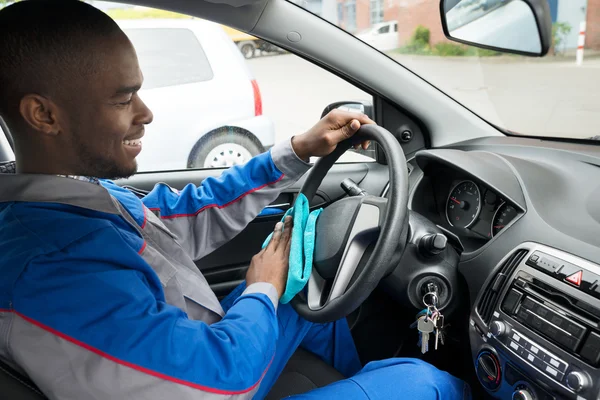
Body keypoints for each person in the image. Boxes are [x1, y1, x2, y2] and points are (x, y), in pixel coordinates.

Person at [0, 1, 471, 399]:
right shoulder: (50, 268)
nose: (146, 114)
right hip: (213, 379)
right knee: (424, 381)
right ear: (43, 115)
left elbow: (189, 214)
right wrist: (262, 287)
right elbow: (219, 381)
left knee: (309, 297)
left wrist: (297, 151)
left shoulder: (75, 197)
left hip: (192, 354)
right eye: (124, 100)